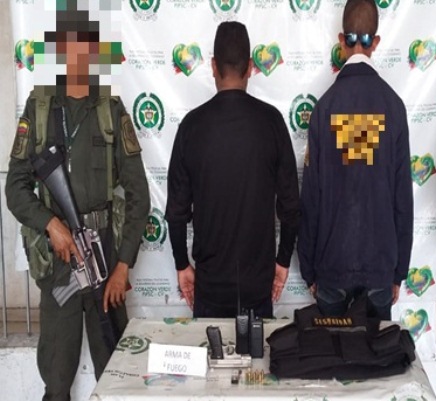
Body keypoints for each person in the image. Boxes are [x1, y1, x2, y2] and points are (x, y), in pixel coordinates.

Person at [5, 7, 150, 401]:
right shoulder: (39, 108)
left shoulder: (110, 109)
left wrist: (123, 266)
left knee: (116, 378)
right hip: (60, 263)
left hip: (105, 258)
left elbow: (139, 194)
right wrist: (50, 224)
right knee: (56, 381)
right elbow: (16, 188)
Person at [166, 21, 300, 319]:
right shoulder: (272, 122)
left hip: (210, 286)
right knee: (258, 353)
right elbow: (291, 207)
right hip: (258, 286)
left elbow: (176, 211)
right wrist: (282, 261)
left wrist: (181, 263)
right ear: (251, 67)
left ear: (213, 66)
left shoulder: (191, 126)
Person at [297, 0, 413, 320]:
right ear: (375, 42)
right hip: (380, 267)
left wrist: (308, 270)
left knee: (333, 351)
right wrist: (398, 271)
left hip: (332, 265)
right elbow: (402, 198)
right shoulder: (393, 106)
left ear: (341, 41)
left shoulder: (325, 108)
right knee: (377, 351)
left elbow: (311, 198)